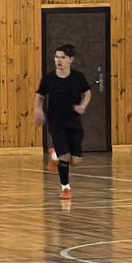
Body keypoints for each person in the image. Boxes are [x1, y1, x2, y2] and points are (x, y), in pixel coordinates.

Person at [33, 44, 91, 200]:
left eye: (62, 57)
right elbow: (40, 96)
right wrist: (38, 110)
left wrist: (83, 105)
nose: (58, 60)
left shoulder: (78, 77)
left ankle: (54, 156)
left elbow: (87, 92)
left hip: (74, 122)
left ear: (70, 60)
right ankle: (66, 189)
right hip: (56, 122)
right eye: (56, 57)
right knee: (65, 157)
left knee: (76, 160)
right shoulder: (49, 79)